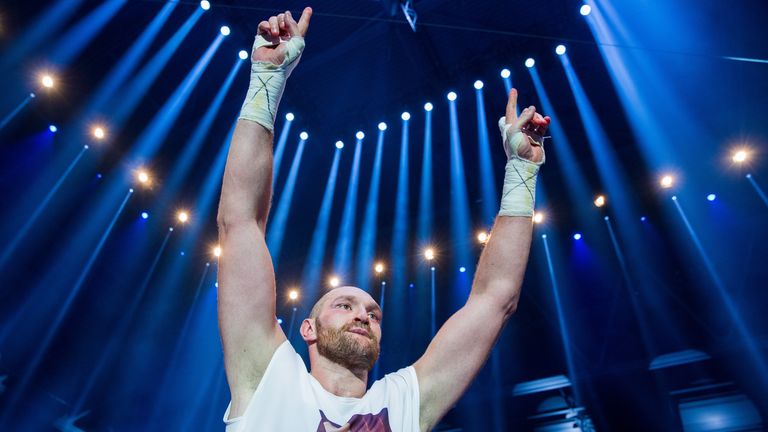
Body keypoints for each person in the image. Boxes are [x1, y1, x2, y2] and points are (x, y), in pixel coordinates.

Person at [216, 6, 551, 431]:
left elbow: (495, 298)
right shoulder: (267, 376)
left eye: (374, 313)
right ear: (308, 330)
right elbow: (239, 221)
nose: (364, 316)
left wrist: (521, 172)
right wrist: (266, 80)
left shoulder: (406, 400)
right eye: (345, 305)